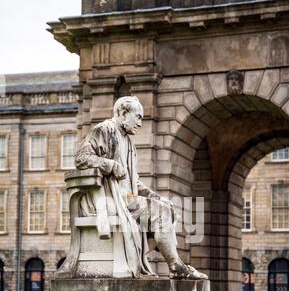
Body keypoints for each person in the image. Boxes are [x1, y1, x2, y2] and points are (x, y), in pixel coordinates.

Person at [75, 96, 207, 280]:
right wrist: (110, 165)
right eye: (137, 117)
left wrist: (155, 196)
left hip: (126, 196)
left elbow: (134, 182)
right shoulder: (105, 130)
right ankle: (176, 266)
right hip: (108, 196)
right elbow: (81, 158)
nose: (140, 123)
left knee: (168, 209)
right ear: (123, 113)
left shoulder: (129, 142)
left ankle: (148, 261)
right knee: (161, 213)